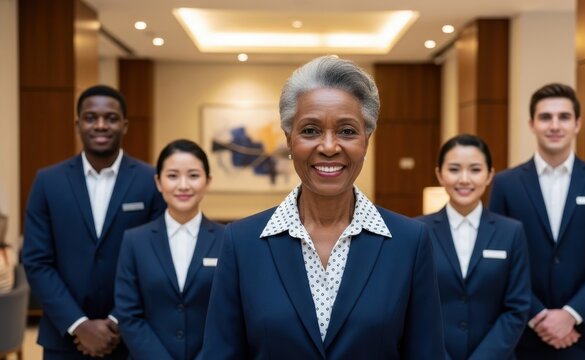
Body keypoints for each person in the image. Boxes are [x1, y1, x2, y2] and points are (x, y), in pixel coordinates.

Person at [200, 55, 444, 359]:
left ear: (366, 140)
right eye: (311, 131)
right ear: (289, 140)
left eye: (347, 131)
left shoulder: (410, 243)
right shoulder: (241, 242)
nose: (329, 147)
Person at [22, 85, 166, 359]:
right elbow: (36, 261)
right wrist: (79, 325)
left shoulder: (151, 181)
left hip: (130, 338)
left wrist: (115, 321)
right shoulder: (47, 182)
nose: (101, 125)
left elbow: (154, 259)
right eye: (91, 117)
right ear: (78, 123)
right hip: (63, 337)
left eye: (111, 118)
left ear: (124, 125)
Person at [489, 83, 585, 359]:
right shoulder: (506, 184)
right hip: (524, 335)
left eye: (564, 117)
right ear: (532, 124)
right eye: (545, 117)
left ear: (577, 124)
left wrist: (571, 315)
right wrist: (539, 315)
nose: (555, 125)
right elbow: (499, 258)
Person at [417, 134, 530, 359]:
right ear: (440, 174)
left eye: (475, 170)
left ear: (489, 176)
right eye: (455, 169)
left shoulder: (511, 232)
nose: (465, 179)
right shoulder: (417, 231)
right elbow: (413, 307)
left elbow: (517, 308)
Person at [115, 139, 224, 359]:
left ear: (208, 181)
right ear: (158, 182)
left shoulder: (228, 240)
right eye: (173, 176)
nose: (183, 185)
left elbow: (230, 314)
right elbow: (128, 314)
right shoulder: (135, 241)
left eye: (193, 175)